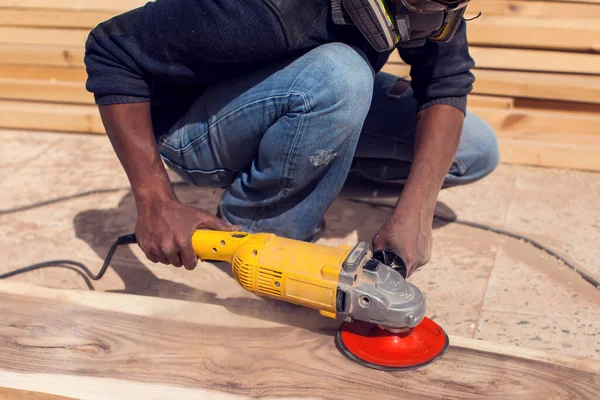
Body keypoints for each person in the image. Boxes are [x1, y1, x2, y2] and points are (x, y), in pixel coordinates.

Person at [84, 0, 499, 276]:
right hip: (195, 128)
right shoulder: (257, 10)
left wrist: (417, 213)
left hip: (303, 87)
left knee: (473, 149)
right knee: (343, 75)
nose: (434, 16)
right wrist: (155, 199)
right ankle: (258, 228)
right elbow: (110, 50)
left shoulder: (432, 3)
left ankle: (304, 162)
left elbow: (445, 83)